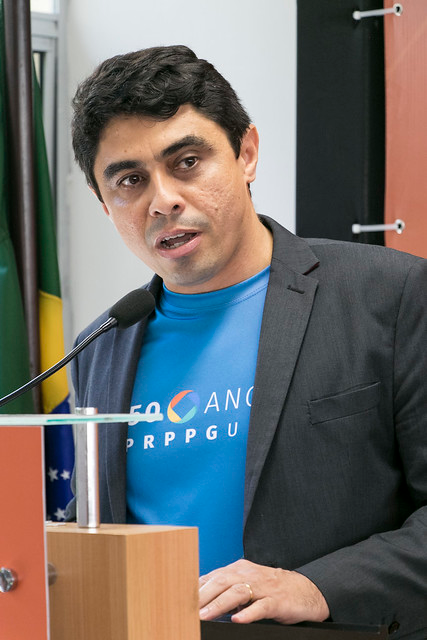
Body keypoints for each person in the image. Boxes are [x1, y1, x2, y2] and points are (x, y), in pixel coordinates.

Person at [66, 45, 427, 638]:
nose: (162, 200)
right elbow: (97, 529)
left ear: (247, 153)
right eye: (130, 180)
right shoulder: (100, 347)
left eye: (187, 162)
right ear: (105, 203)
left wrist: (318, 587)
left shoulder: (392, 295)